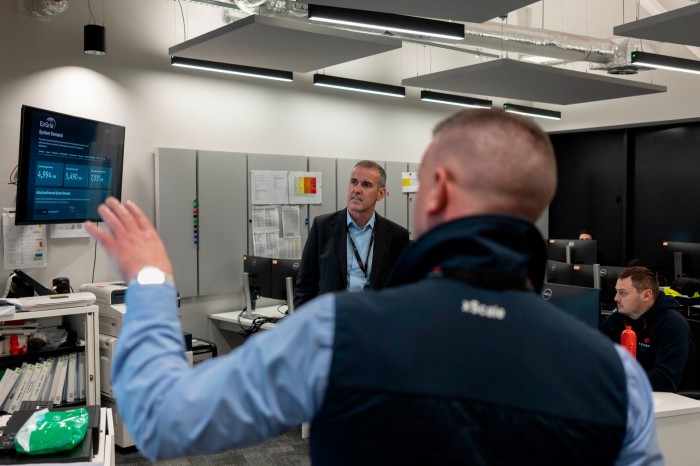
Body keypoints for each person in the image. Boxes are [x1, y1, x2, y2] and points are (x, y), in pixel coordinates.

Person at [86, 109, 662, 464]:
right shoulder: (618, 379)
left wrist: (152, 278)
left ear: (431, 195)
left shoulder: (339, 337)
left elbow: (163, 419)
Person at [293, 160, 410, 308]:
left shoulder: (397, 237)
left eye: (366, 185)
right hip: (332, 323)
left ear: (381, 194)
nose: (357, 189)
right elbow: (304, 287)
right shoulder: (322, 227)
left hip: (375, 324)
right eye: (354, 182)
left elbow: (402, 292)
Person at [601, 266, 698, 392]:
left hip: (672, 402)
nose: (616, 298)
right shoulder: (620, 317)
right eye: (616, 292)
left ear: (646, 295)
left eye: (623, 293)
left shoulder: (672, 324)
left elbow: (664, 380)